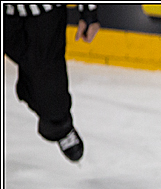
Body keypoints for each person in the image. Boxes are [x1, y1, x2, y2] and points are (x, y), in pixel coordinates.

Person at [3, 3, 99, 162]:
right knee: (36, 73)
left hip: (46, 12)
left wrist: (89, 13)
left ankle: (59, 124)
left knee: (50, 87)